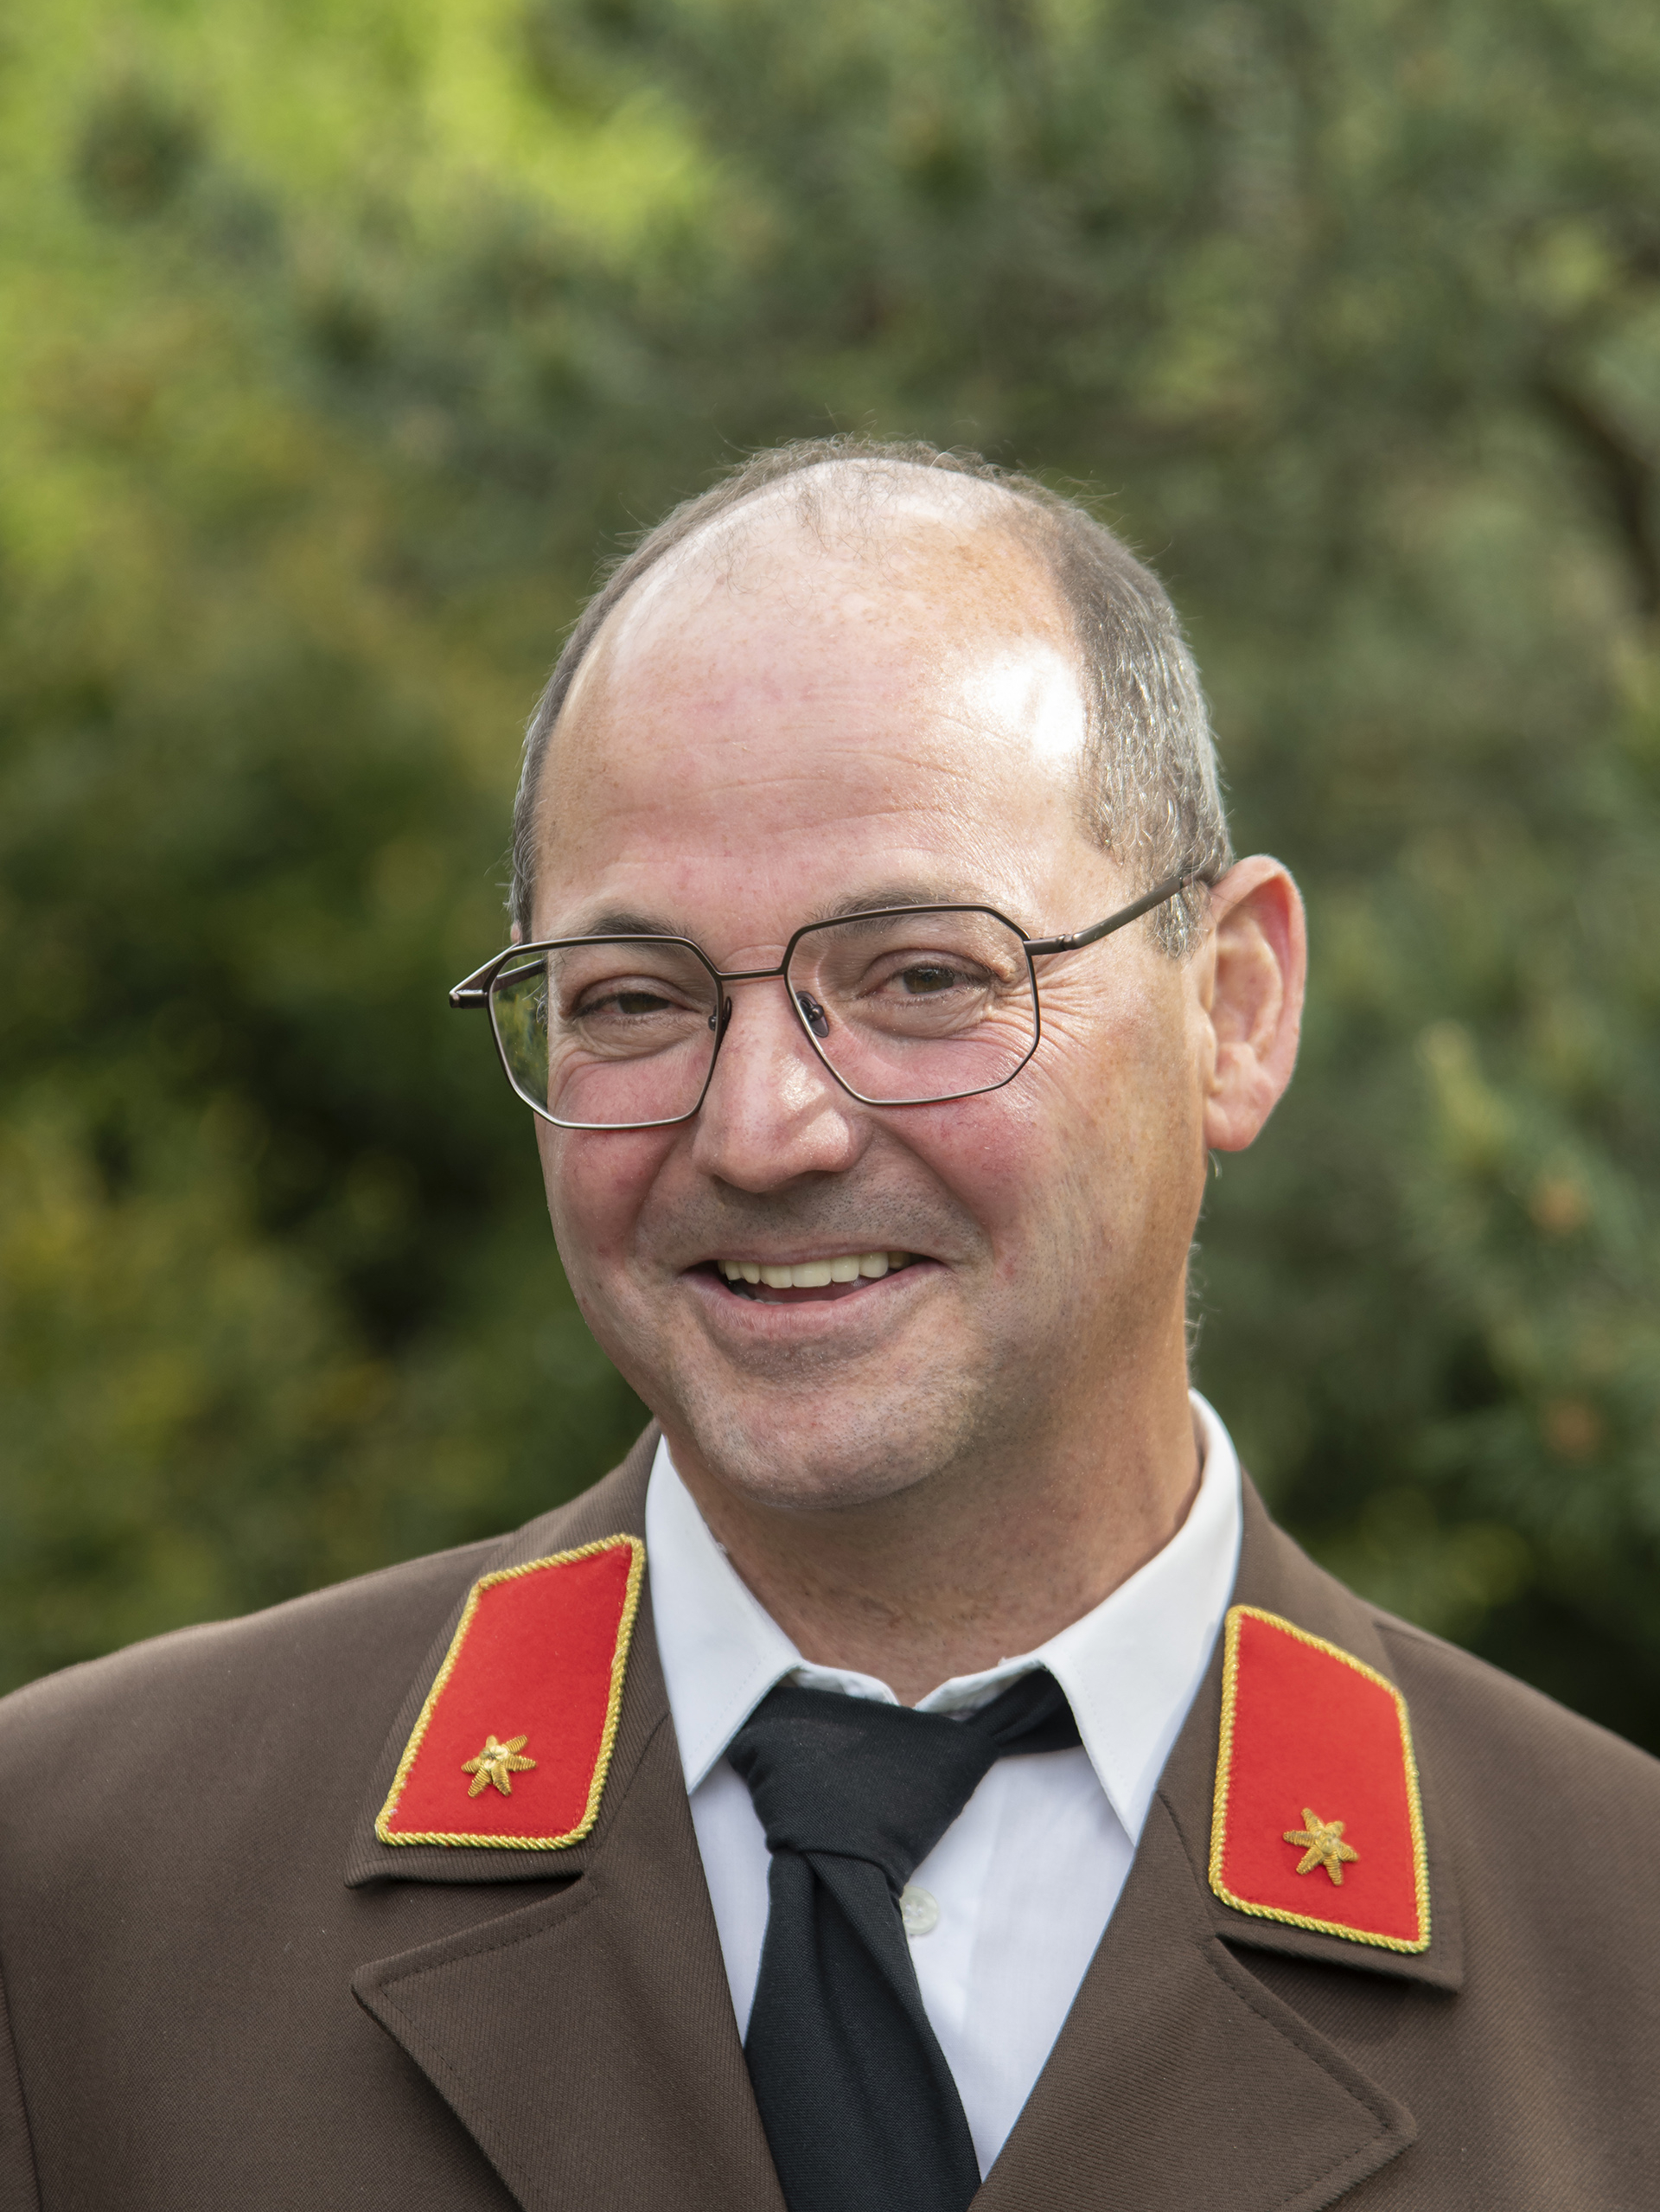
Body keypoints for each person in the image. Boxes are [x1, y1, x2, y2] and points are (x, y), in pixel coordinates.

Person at [1, 439, 1656, 2212]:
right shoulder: (80, 1887)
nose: (760, 1129)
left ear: (1233, 1010)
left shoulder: (1617, 1960)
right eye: (632, 1000)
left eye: (923, 976)